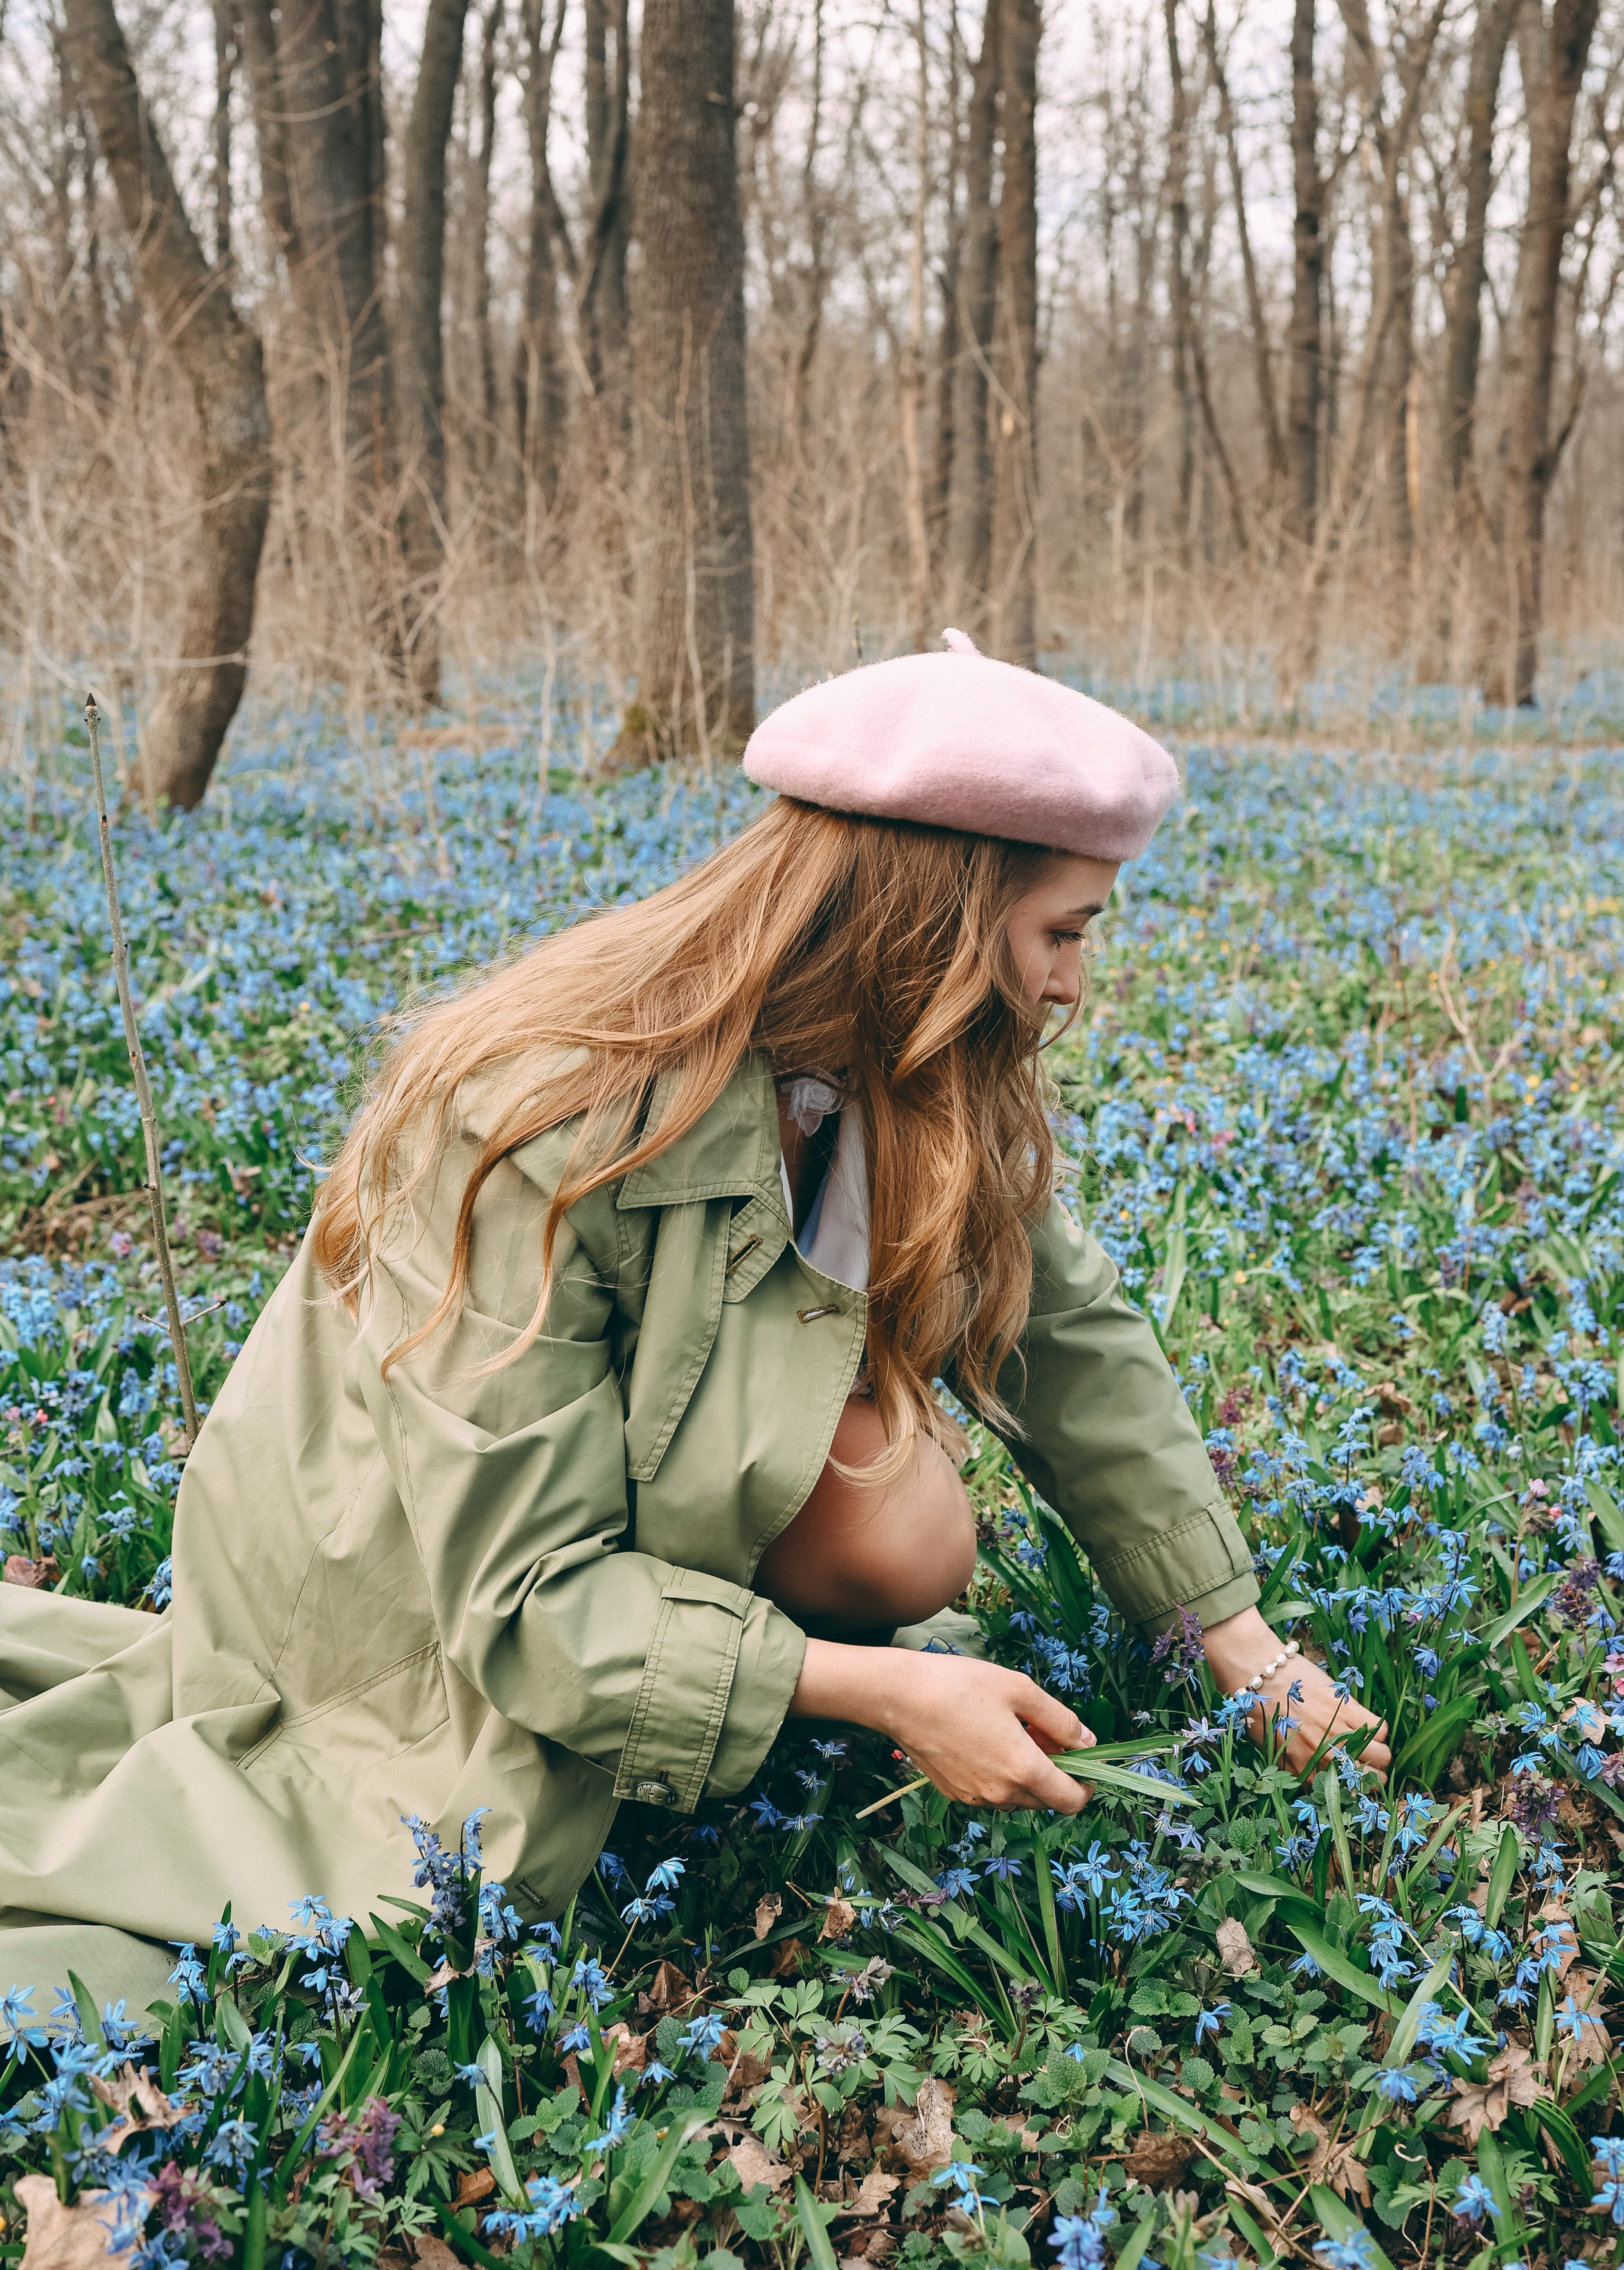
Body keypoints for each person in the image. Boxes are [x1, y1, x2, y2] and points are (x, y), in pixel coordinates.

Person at [0, 631, 1385, 2017]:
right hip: (408, 1592)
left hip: (589, 1530)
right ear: (937, 918)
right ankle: (701, 1686)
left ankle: (715, 1674)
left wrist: (1240, 1649)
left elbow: (1072, 1347)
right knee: (398, 1883)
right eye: (1060, 933)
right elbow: (521, 1603)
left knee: (906, 1526)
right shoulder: (542, 1118)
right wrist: (884, 1697)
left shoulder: (917, 1070)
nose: (1074, 982)